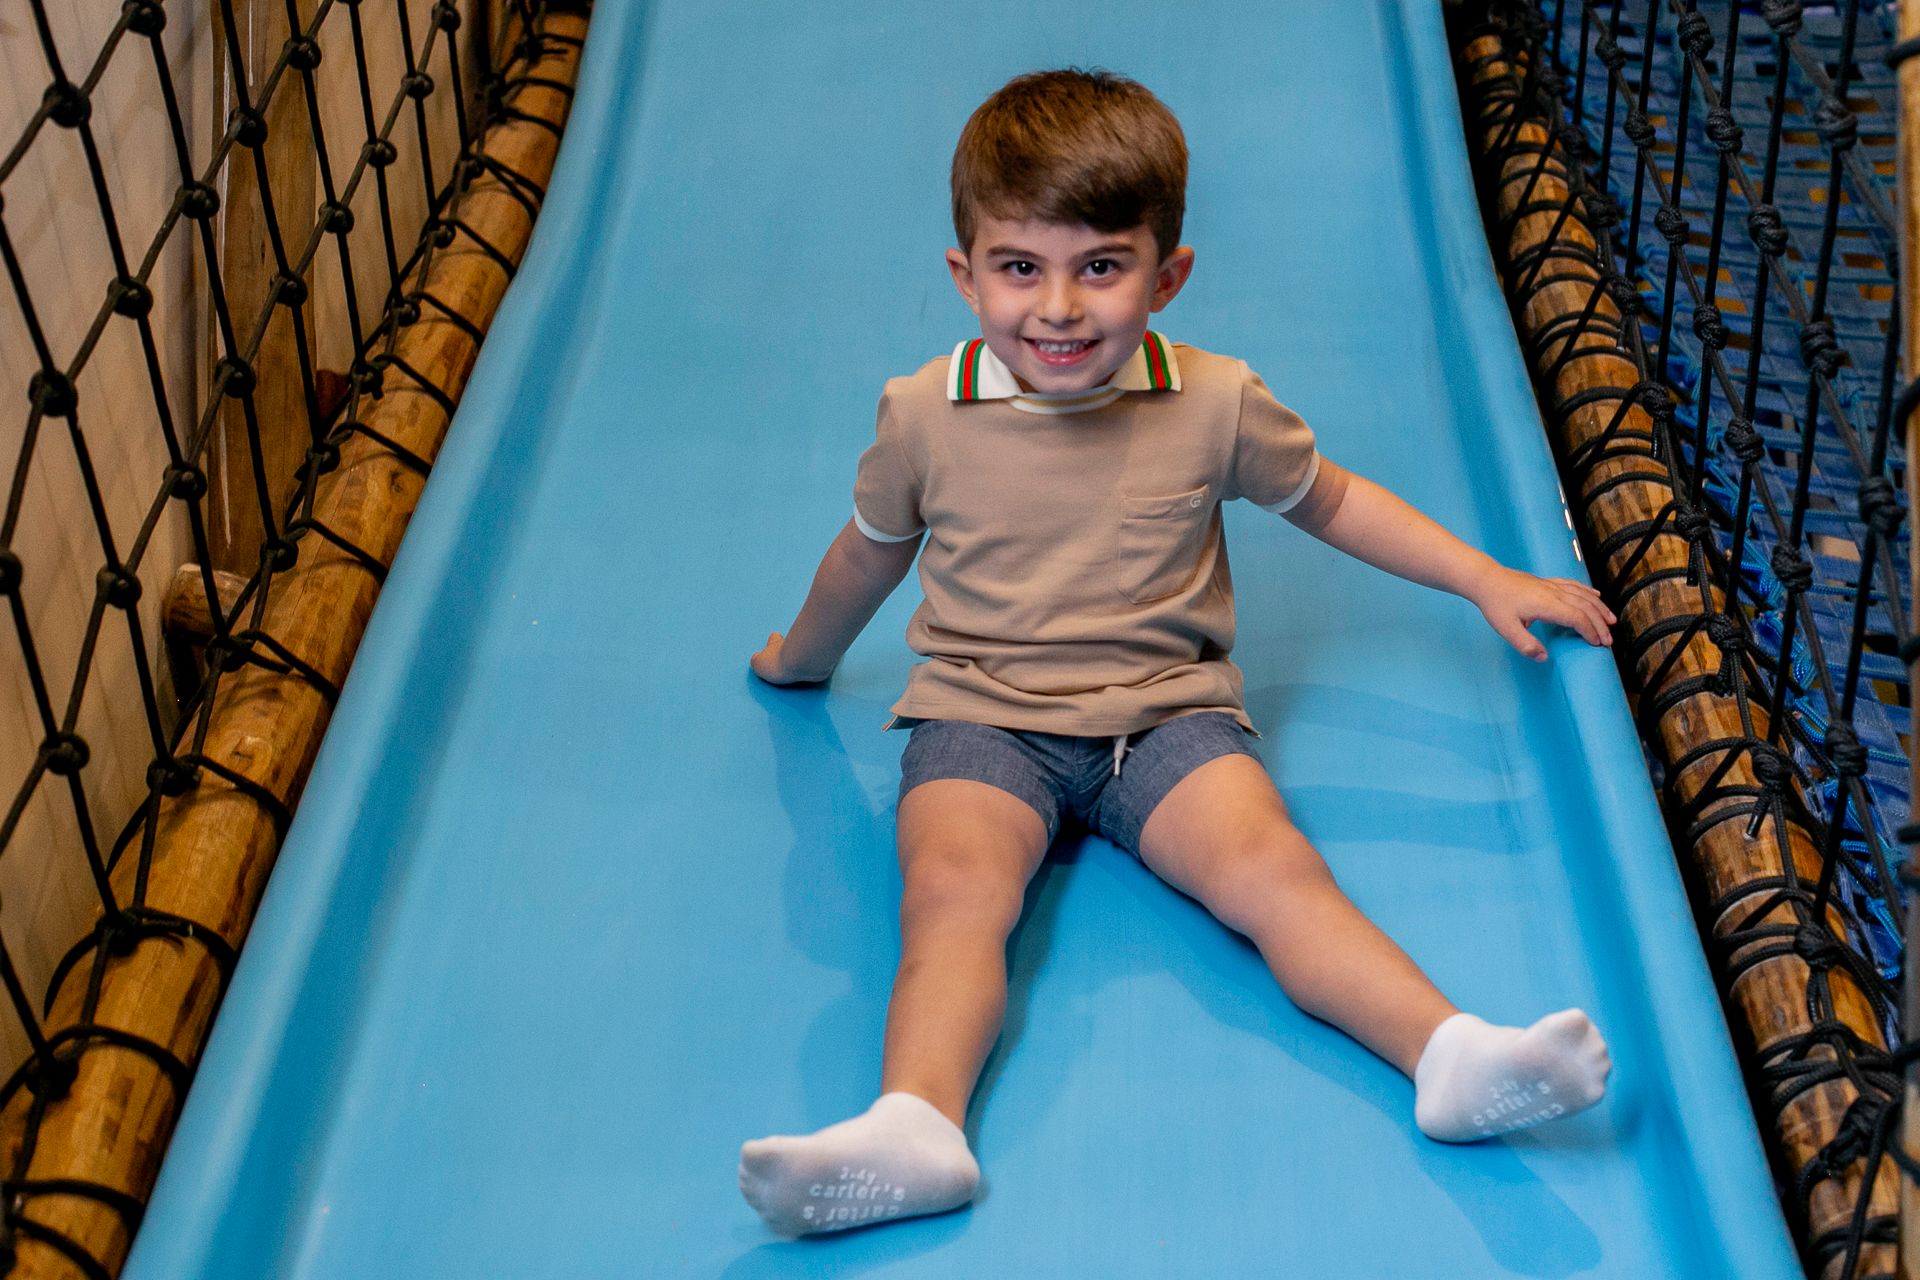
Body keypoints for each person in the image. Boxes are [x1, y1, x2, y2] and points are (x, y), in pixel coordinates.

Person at [738, 68, 1614, 1238]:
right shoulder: (923, 414)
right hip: (981, 714)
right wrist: (802, 656)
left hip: (1168, 717)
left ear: (1167, 275)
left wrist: (1485, 576)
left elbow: (1334, 500)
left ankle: (1448, 1053)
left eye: (1101, 266)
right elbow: (867, 556)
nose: (1058, 307)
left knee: (1275, 870)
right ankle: (917, 1123)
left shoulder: (1213, 400)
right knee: (952, 895)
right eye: (1019, 268)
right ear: (965, 273)